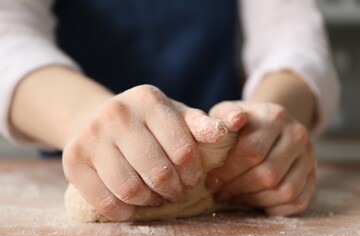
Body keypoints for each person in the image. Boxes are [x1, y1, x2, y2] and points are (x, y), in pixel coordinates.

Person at [0, 0, 339, 221]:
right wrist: (87, 115)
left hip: (234, 173)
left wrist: (268, 129)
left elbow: (292, 39)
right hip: (75, 163)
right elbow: (8, 34)